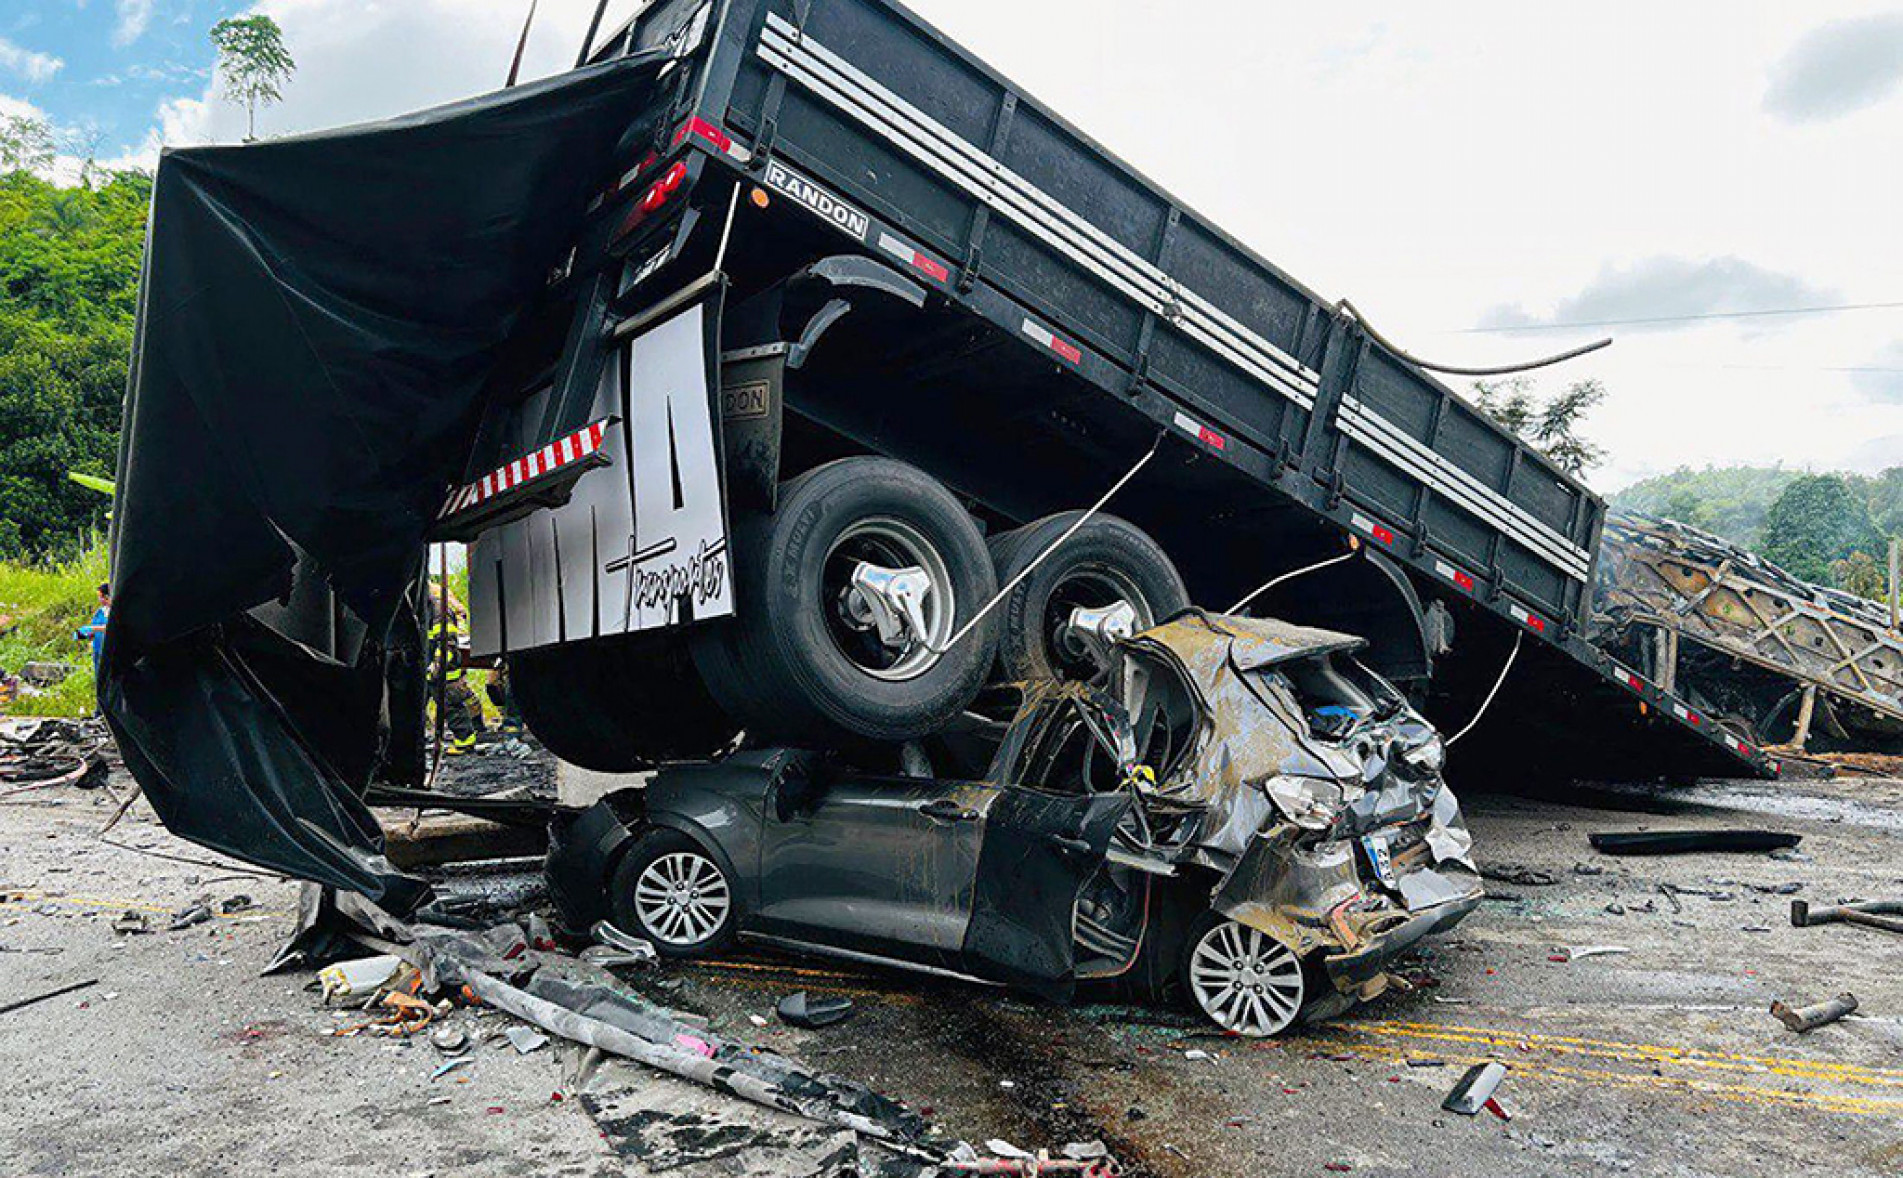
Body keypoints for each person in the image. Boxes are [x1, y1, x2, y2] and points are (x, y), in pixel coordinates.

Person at [427, 579, 484, 755]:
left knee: (451, 705)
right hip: (433, 668)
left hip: (445, 670)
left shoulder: (439, 611)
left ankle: (465, 742)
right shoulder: (429, 608)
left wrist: (436, 668)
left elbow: (446, 644)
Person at [75, 583, 110, 666]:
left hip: (110, 651)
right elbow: (93, 630)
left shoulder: (116, 612)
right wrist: (83, 634)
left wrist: (94, 628)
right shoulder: (99, 612)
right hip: (98, 650)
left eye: (100, 596)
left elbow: (112, 628)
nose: (99, 599)